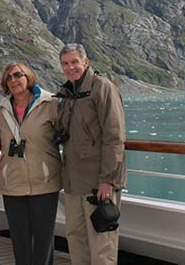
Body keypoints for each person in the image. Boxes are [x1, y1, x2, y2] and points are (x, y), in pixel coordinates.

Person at [55, 44, 126, 265]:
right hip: (73, 183)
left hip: (98, 183)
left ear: (86, 62)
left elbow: (114, 136)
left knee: (102, 245)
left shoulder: (102, 87)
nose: (70, 67)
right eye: (65, 63)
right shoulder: (67, 94)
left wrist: (107, 180)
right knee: (77, 240)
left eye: (75, 62)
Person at [0, 62, 62, 265]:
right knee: (19, 240)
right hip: (13, 183)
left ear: (28, 77)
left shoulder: (50, 103)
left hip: (43, 181)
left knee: (43, 240)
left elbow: (69, 133)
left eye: (18, 75)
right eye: (9, 77)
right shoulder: (3, 108)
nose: (14, 80)